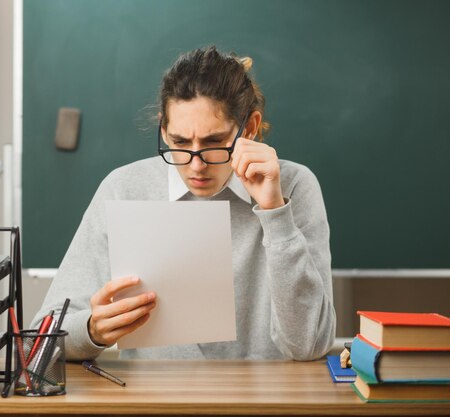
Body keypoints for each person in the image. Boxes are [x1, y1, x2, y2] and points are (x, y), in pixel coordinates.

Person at [31, 46, 335, 361]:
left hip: (264, 403)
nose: (196, 165)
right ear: (163, 129)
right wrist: (92, 330)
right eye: (179, 143)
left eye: (214, 142)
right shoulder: (123, 189)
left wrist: (275, 212)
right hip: (157, 402)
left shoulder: (294, 186)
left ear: (249, 128)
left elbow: (309, 345)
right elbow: (41, 338)